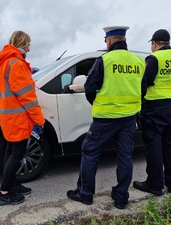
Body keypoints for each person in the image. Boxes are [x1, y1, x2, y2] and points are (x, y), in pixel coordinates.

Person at [67, 26, 145, 209]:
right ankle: (121, 197)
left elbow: (90, 87)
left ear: (109, 41)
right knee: (125, 156)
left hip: (105, 118)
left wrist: (99, 103)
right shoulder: (139, 62)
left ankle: (85, 194)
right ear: (124, 40)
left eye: (105, 41)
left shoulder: (105, 60)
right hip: (128, 118)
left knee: (90, 152)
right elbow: (143, 89)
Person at [133, 29, 171, 196]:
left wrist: (141, 103)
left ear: (154, 43)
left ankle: (154, 184)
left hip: (154, 109)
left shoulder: (154, 58)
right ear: (168, 41)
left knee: (154, 148)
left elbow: (145, 82)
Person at [0, 31, 45, 206]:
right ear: (23, 44)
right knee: (17, 154)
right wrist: (39, 119)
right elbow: (27, 96)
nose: (29, 48)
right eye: (28, 44)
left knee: (10, 152)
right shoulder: (17, 63)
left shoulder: (4, 63)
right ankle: (4, 192)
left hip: (8, 118)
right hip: (18, 118)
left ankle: (13, 184)